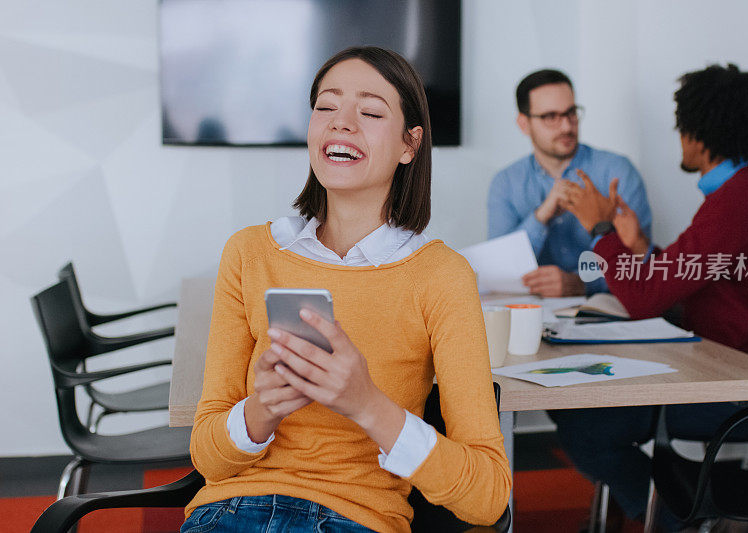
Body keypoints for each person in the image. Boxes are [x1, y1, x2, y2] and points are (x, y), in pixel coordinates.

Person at [182, 46, 511, 533]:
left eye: (371, 111)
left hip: (357, 519)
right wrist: (261, 411)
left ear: (409, 145)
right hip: (231, 512)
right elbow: (209, 459)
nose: (341, 122)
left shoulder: (442, 275)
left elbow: (487, 497)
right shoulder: (250, 253)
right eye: (326, 107)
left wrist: (366, 404)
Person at [549, 63, 748, 530]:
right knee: (579, 407)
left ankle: (673, 522)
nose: (679, 137)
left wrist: (601, 229)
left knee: (587, 426)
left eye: (682, 127)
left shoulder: (740, 199)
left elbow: (646, 299)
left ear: (699, 135)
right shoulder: (747, 194)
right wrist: (642, 248)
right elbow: (699, 276)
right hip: (725, 369)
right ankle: (685, 511)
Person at [488, 69, 653, 296]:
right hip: (535, 315)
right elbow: (497, 272)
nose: (566, 126)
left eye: (571, 113)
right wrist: (541, 216)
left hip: (610, 315)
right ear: (524, 124)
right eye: (550, 117)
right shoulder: (505, 183)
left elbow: (640, 262)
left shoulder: (617, 171)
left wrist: (580, 283)